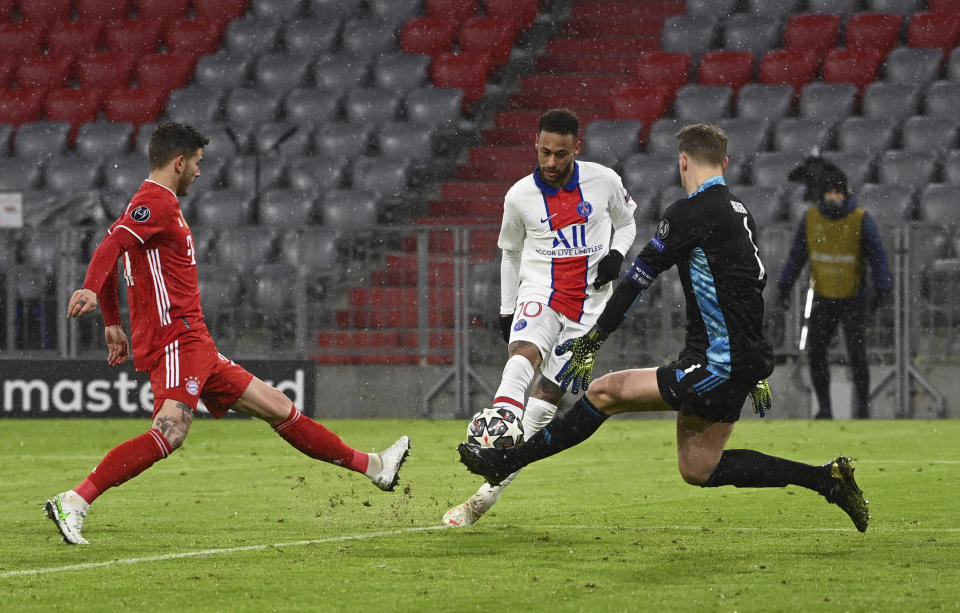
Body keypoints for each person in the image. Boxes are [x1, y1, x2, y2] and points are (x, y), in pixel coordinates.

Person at [458, 124, 870, 533]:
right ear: (724, 163)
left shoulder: (688, 213)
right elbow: (751, 287)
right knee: (698, 467)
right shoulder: (739, 212)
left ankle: (507, 461)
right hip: (731, 362)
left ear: (683, 161)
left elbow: (637, 281)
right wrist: (757, 364)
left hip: (715, 366)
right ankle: (825, 479)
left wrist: (593, 340)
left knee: (604, 393)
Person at [45, 122, 410, 545]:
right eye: (197, 163)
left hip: (195, 341)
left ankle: (375, 467)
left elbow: (112, 247)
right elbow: (108, 251)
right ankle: (75, 500)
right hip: (177, 339)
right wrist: (92, 291)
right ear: (179, 162)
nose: (200, 172)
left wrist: (112, 322)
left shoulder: (148, 206)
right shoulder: (154, 203)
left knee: (278, 406)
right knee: (169, 433)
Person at [442, 108, 637, 526]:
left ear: (576, 149)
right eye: (545, 152)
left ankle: (483, 498)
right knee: (522, 354)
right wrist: (506, 307)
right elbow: (510, 253)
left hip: (589, 311)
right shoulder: (519, 197)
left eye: (561, 154)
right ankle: (497, 428)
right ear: (536, 144)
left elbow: (627, 223)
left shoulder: (604, 181)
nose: (551, 162)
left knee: (546, 404)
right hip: (540, 293)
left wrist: (618, 254)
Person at [777, 167, 892, 419]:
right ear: (821, 195)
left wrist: (883, 286)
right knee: (816, 352)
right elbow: (797, 257)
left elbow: (877, 256)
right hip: (823, 296)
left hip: (854, 297)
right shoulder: (810, 219)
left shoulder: (861, 219)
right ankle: (825, 409)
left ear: (845, 193)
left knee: (857, 354)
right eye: (829, 193)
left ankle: (862, 409)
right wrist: (784, 285)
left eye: (837, 193)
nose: (833, 198)